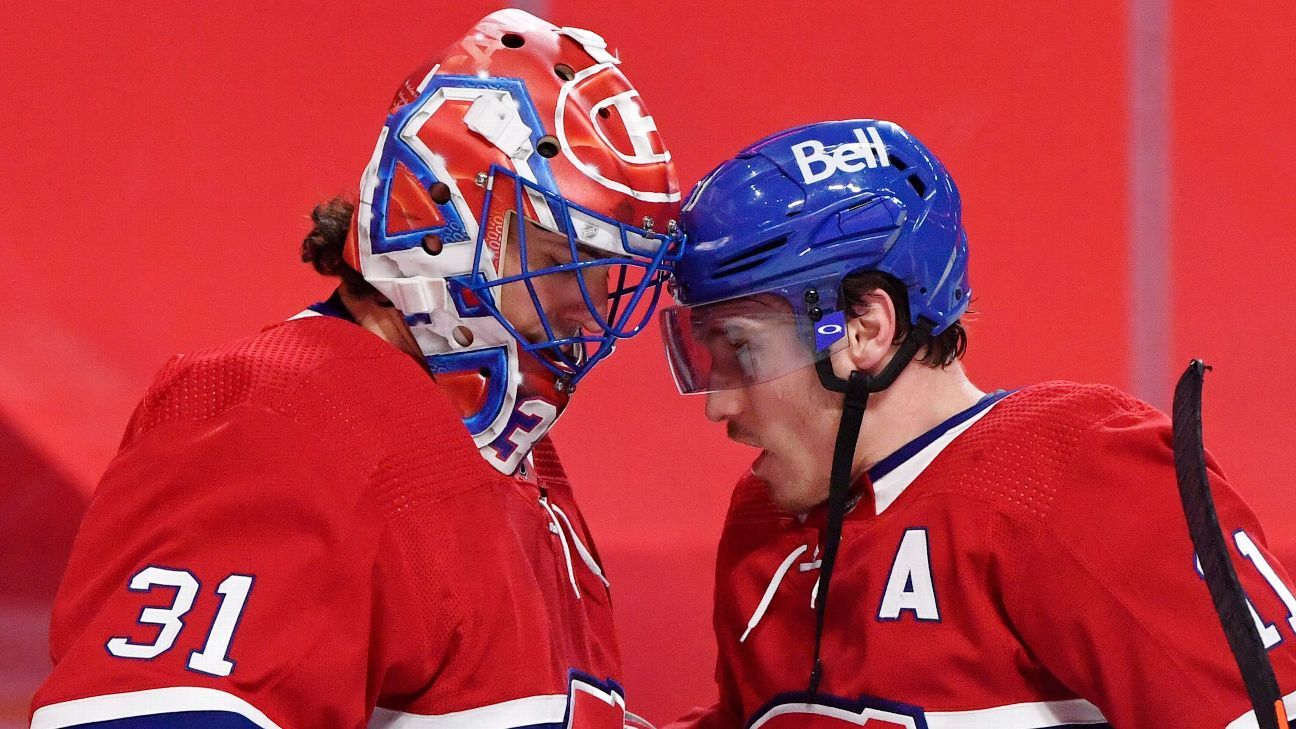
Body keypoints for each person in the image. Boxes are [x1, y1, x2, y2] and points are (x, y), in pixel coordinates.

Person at [31, 10, 682, 728]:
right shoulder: (281, 418)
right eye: (561, 261)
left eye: (603, 275)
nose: (586, 311)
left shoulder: (501, 445)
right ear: (436, 217)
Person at [659, 119, 1296, 728]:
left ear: (864, 330)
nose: (720, 404)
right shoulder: (766, 524)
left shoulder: (1073, 476)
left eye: (740, 349)